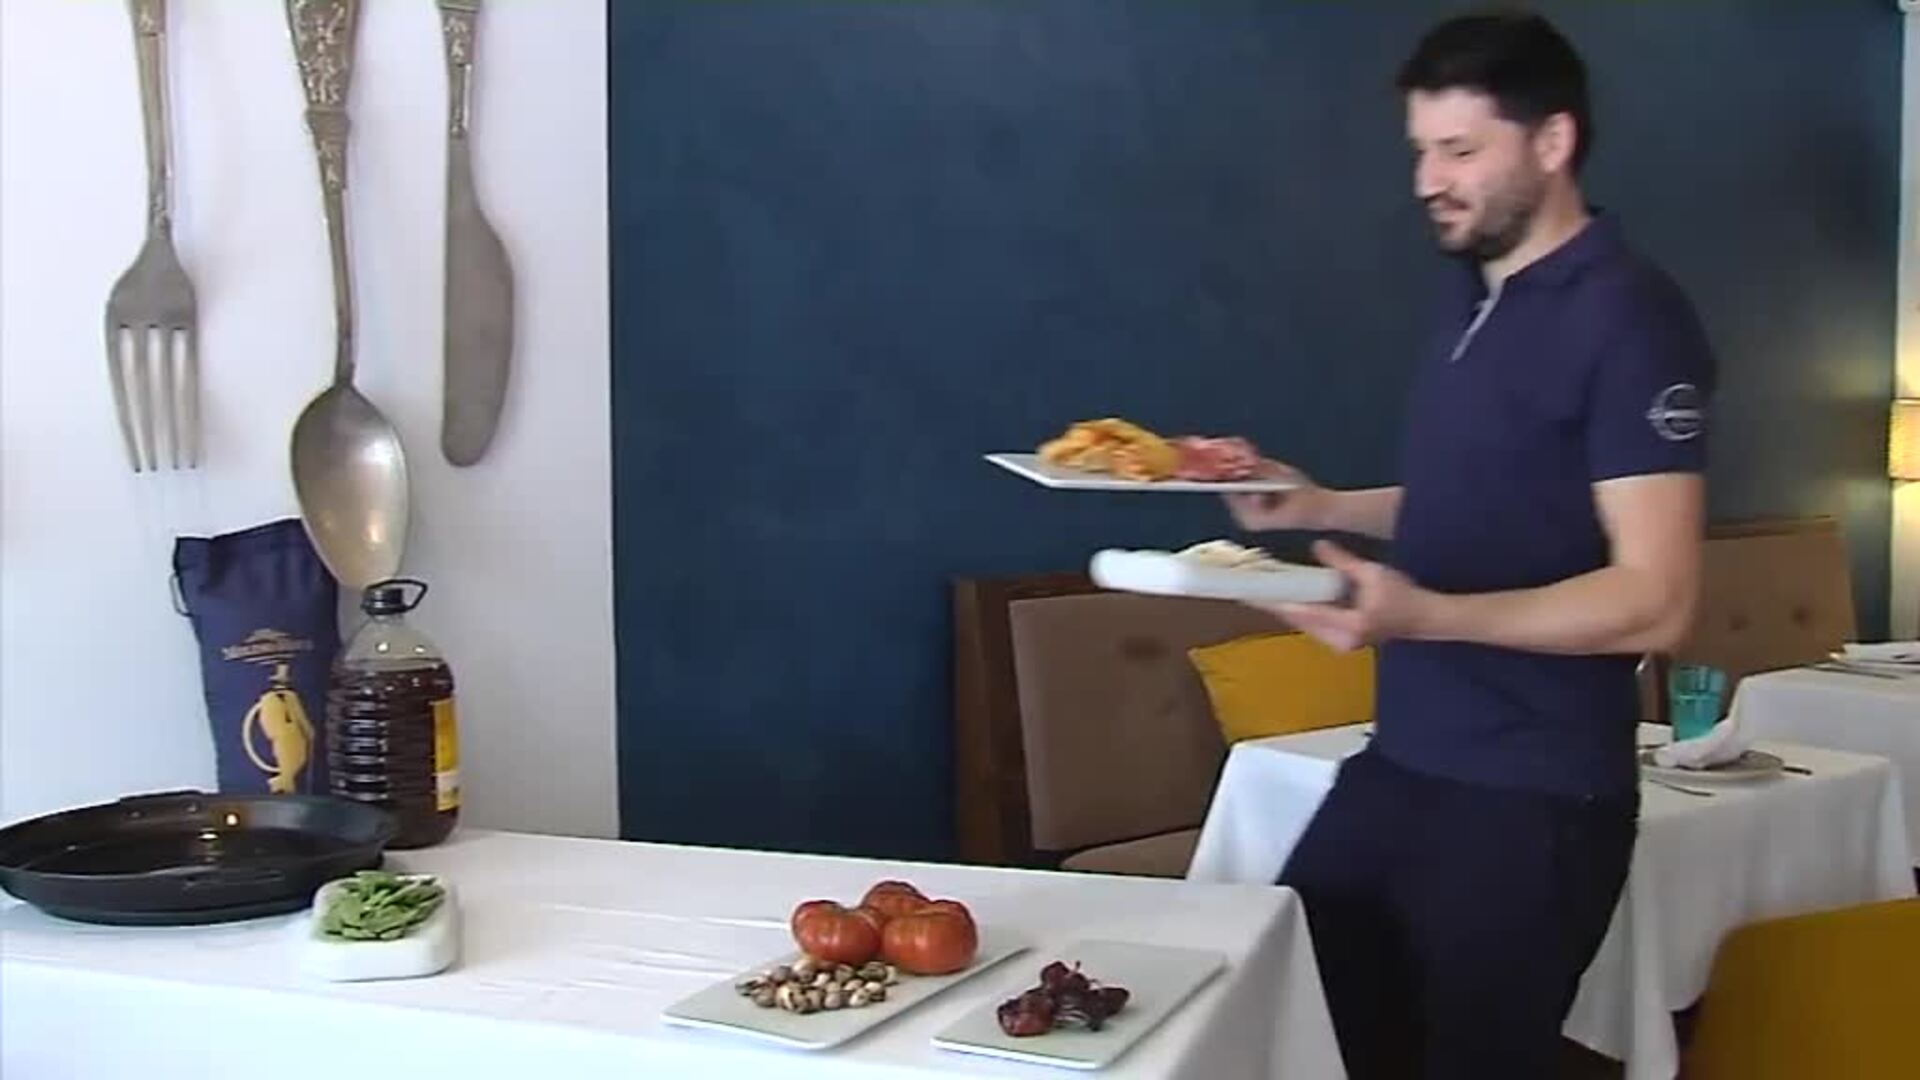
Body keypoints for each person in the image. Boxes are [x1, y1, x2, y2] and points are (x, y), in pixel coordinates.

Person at [1226, 11, 1714, 1078]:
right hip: (1405, 762)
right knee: (1294, 1031)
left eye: (1458, 150)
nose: (1427, 180)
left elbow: (1658, 595)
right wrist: (1319, 504)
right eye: (1421, 150)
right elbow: (1479, 501)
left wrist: (1428, 615)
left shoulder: (1633, 319)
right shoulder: (1473, 296)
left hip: (1533, 799)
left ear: (1553, 141)